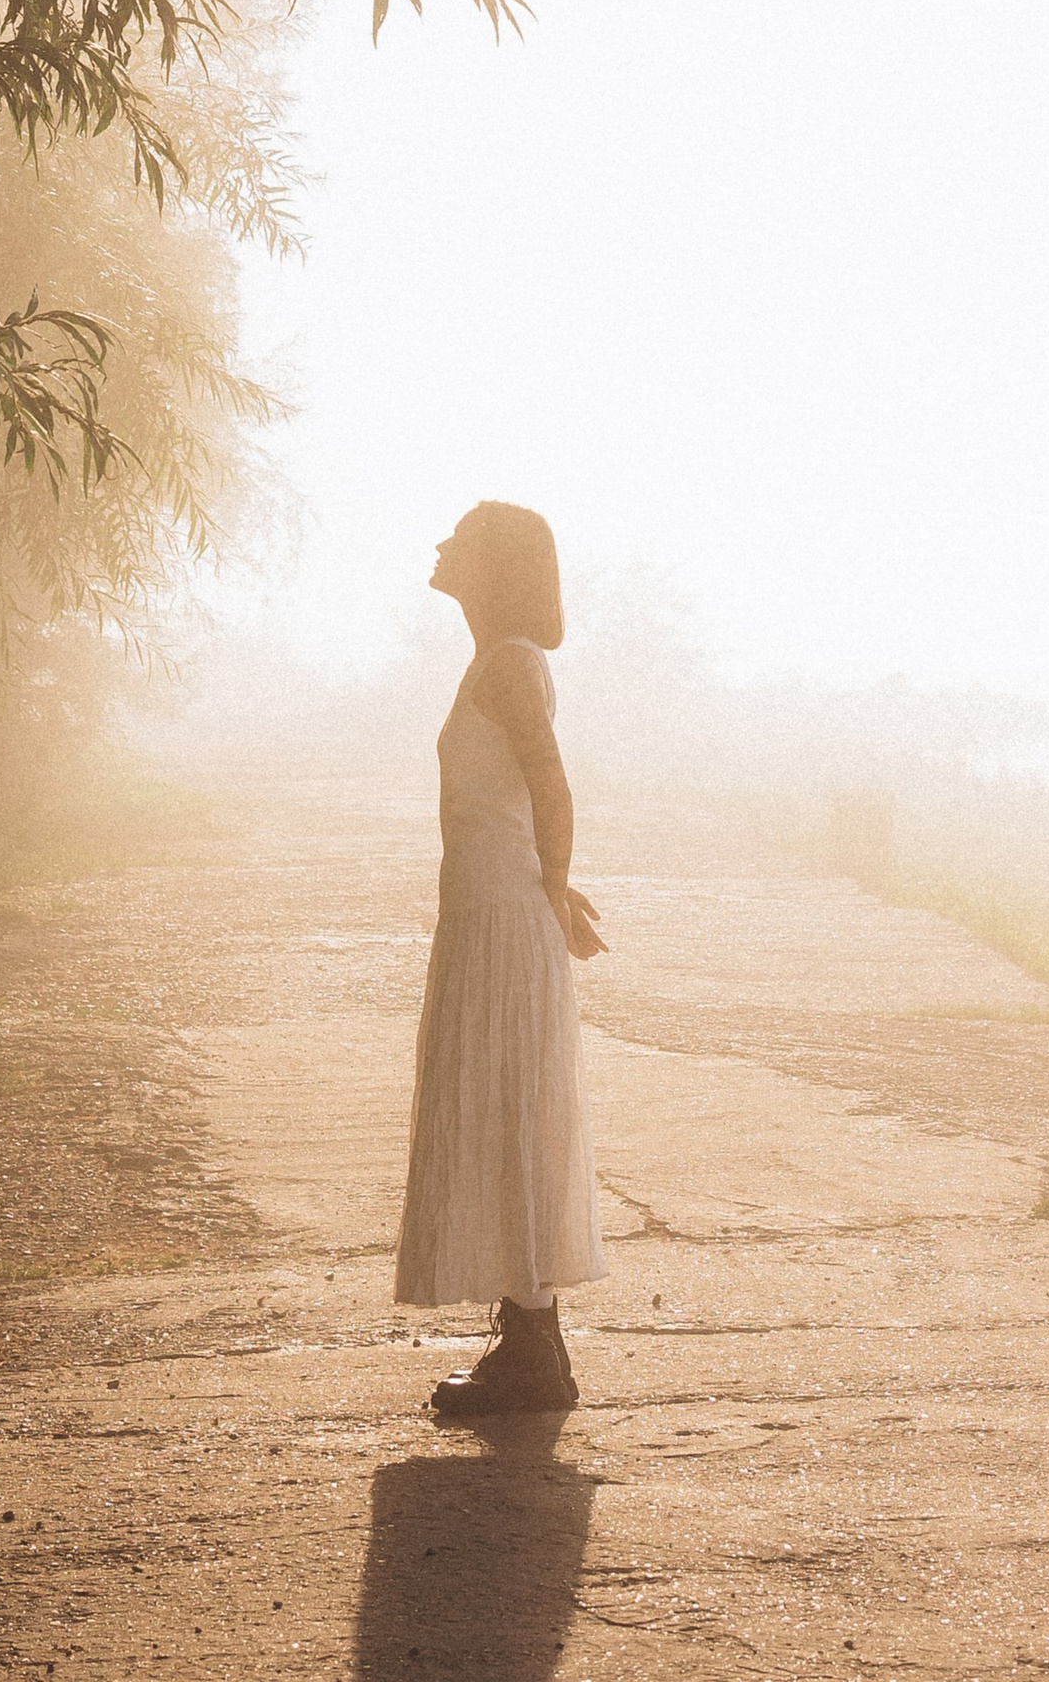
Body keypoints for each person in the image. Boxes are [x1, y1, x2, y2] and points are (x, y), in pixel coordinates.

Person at [394, 499, 608, 1417]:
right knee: (500, 1103)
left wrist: (552, 886)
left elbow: (552, 781)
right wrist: (546, 880)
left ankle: (534, 1354)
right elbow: (531, 791)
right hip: (488, 905)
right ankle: (529, 1346)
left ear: (494, 564)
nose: (441, 545)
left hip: (502, 912)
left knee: (511, 1104)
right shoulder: (496, 661)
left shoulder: (512, 664)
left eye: (460, 537)